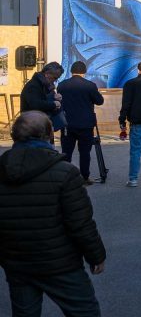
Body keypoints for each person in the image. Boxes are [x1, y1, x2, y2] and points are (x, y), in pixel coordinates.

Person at [0, 112, 106, 316]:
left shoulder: (3, 169)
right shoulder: (65, 172)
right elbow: (80, 223)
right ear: (49, 135)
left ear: (14, 136)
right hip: (61, 263)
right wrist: (96, 256)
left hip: (17, 263)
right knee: (84, 311)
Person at [57, 61, 104, 184]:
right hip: (85, 124)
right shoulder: (90, 85)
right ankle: (85, 177)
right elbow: (99, 101)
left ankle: (65, 178)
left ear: (71, 71)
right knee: (84, 152)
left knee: (66, 152)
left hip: (67, 124)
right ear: (84, 72)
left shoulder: (62, 85)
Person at [20, 62, 64, 144]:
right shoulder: (33, 85)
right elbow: (35, 104)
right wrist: (54, 104)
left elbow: (45, 99)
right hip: (33, 126)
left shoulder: (46, 85)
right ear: (47, 74)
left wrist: (55, 97)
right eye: (55, 78)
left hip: (42, 125)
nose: (55, 80)